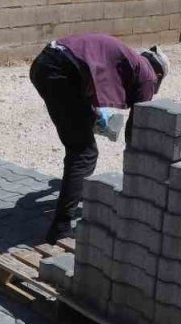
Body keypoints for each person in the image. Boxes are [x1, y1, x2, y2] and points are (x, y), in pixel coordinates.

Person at [29, 34, 169, 243]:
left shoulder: (127, 60)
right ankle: (60, 229)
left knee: (81, 134)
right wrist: (137, 173)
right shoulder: (148, 75)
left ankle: (69, 201)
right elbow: (137, 127)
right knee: (84, 154)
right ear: (158, 74)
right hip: (61, 71)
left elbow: (83, 88)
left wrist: (94, 117)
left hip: (45, 64)